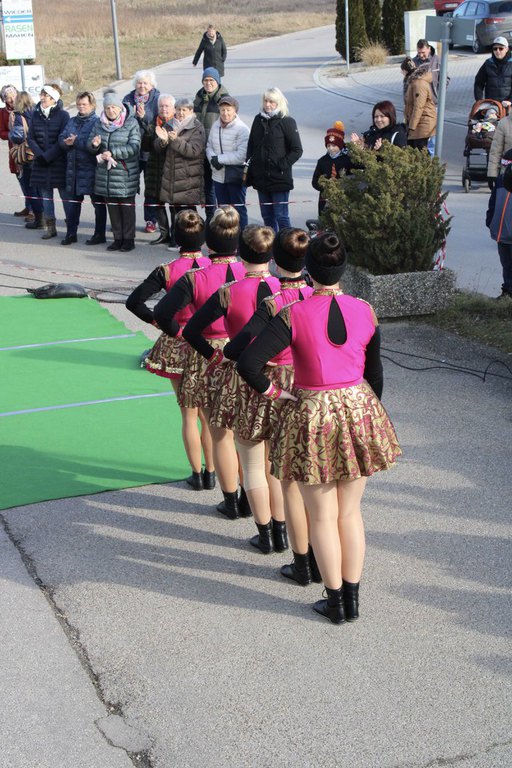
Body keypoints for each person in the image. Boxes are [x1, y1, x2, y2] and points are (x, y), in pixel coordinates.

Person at [237, 232, 401, 624]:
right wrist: (365, 414)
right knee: (350, 513)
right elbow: (375, 373)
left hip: (313, 412)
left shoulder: (292, 314)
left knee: (323, 515)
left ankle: (335, 601)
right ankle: (353, 599)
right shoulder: (365, 310)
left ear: (308, 270)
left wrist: (276, 394)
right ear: (344, 269)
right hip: (357, 406)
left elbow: (248, 363)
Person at [183, 225, 288, 551]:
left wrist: (215, 355)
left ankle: (257, 526)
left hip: (242, 377)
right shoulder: (285, 289)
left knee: (239, 450)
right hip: (284, 378)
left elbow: (192, 330)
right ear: (271, 255)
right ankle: (283, 531)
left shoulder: (229, 291)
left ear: (241, 253)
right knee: (275, 461)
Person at [222, 227, 320, 573]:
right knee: (292, 471)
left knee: (254, 463)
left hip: (266, 382)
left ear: (276, 260)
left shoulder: (273, 303)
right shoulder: (315, 297)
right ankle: (304, 547)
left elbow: (237, 349)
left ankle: (269, 533)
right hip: (304, 385)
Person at [153, 206, 247, 520]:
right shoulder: (254, 276)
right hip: (245, 353)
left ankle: (223, 493)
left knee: (211, 426)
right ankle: (253, 501)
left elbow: (160, 313)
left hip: (208, 352)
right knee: (246, 434)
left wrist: (178, 331)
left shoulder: (196, 277)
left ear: (209, 241)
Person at [126, 210, 216, 488]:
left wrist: (157, 321)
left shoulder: (167, 270)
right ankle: (213, 473)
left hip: (177, 341)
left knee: (188, 413)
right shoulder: (214, 267)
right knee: (208, 414)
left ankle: (197, 474)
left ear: (177, 238)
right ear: (203, 239)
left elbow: (134, 302)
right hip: (209, 342)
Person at [87, 89, 141, 252]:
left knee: (126, 209)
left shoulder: (131, 123)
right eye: (107, 108)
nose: (111, 110)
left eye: (113, 107)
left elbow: (134, 147)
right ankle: (117, 239)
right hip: (106, 175)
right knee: (113, 209)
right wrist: (94, 145)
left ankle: (128, 239)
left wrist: (113, 153)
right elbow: (90, 144)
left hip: (124, 173)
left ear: (120, 108)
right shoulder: (99, 124)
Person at [246, 86, 303, 232]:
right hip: (261, 178)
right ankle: (270, 244)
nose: (268, 104)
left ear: (279, 102)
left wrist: (281, 165)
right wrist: (252, 167)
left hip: (279, 179)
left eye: (271, 101)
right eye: (265, 101)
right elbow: (251, 145)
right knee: (267, 216)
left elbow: (297, 150)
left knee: (281, 216)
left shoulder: (287, 121)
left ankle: (287, 243)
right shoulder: (258, 119)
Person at [58, 91, 107, 246]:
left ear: (92, 105)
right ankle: (71, 233)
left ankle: (99, 234)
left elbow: (94, 145)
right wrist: (66, 143)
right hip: (73, 170)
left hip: (92, 169)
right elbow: (61, 138)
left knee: (98, 204)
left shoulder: (98, 122)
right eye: (79, 104)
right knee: (72, 205)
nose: (81, 107)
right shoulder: (72, 121)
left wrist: (76, 141)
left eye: (84, 104)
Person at [27, 84, 70, 239]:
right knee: (46, 197)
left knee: (65, 197)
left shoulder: (63, 115)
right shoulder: (35, 114)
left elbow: (63, 139)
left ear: (53, 99)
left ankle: (71, 229)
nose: (42, 97)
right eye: (42, 94)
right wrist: (40, 155)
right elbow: (30, 137)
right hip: (41, 163)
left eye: (45, 95)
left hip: (59, 162)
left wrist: (48, 156)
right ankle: (51, 228)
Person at [123, 70, 160, 234]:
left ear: (151, 85)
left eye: (145, 83)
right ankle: (126, 219)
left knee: (150, 188)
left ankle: (151, 220)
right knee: (128, 185)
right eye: (139, 82)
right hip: (132, 151)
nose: (142, 86)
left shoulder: (158, 99)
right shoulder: (128, 99)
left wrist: (144, 118)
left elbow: (158, 124)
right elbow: (121, 121)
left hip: (150, 151)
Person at [156, 96, 205, 217]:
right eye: (178, 109)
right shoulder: (169, 125)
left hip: (188, 178)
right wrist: (163, 141)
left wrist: (175, 140)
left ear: (191, 111)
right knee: (175, 214)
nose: (181, 113)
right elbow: (158, 148)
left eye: (184, 110)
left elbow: (194, 151)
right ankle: (174, 230)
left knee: (189, 216)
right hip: (171, 177)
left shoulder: (197, 127)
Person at [206, 95, 250, 230]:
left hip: (235, 176)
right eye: (222, 110)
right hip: (218, 175)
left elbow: (242, 155)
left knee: (238, 210)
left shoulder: (242, 129)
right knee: (223, 210)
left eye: (228, 110)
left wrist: (219, 159)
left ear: (235, 111)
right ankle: (225, 237)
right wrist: (212, 159)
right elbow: (209, 146)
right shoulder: (215, 125)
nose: (225, 113)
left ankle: (241, 237)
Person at [193, 67, 229, 219]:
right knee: (207, 187)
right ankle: (210, 219)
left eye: (211, 80)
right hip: (201, 150)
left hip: (217, 151)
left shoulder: (224, 99)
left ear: (217, 82)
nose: (208, 83)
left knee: (218, 187)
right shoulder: (199, 98)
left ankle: (221, 219)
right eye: (205, 80)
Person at [141, 93, 177, 246]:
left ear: (173, 108)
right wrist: (149, 132)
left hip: (171, 170)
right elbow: (145, 147)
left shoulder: (177, 124)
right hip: (154, 169)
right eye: (161, 106)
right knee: (158, 204)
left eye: (167, 106)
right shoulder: (152, 123)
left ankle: (175, 236)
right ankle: (164, 234)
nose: (164, 109)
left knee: (174, 206)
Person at [8, 90, 43, 226]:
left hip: (27, 155)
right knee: (40, 188)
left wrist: (11, 129)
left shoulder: (18, 116)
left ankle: (38, 218)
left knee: (30, 188)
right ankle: (45, 215)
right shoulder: (38, 113)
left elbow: (17, 136)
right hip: (39, 153)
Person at [486, 150, 512, 300]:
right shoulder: (501, 181)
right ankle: (507, 291)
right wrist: (490, 221)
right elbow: (493, 203)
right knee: (506, 264)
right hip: (501, 233)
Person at [312, 122, 352, 215]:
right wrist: (325, 186)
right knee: (325, 218)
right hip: (325, 199)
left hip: (344, 198)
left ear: (340, 146)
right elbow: (315, 181)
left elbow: (360, 167)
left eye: (334, 145)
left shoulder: (348, 159)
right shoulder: (322, 161)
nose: (331, 148)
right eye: (328, 146)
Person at [1, 84, 28, 218]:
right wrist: (13, 134)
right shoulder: (2, 113)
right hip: (15, 151)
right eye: (8, 97)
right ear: (4, 99)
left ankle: (36, 210)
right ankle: (29, 206)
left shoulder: (25, 108)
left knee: (32, 180)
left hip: (29, 149)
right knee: (21, 179)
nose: (11, 99)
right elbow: (1, 132)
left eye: (13, 95)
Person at [401, 58, 436, 151]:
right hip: (418, 124)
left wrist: (411, 126)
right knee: (413, 151)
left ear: (405, 70)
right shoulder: (413, 82)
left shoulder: (418, 84)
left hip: (421, 125)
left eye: (402, 70)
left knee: (419, 153)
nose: (401, 73)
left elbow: (419, 107)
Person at [474, 37, 512, 108]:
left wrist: (510, 101)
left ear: (506, 49)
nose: (498, 51)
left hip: (508, 104)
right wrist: (479, 100)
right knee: (488, 114)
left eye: (501, 48)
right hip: (492, 104)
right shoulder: (488, 63)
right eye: (495, 48)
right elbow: (479, 83)